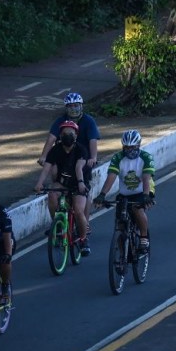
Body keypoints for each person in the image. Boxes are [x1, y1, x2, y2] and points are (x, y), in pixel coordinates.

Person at [37, 92, 100, 221]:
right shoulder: (61, 120)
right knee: (54, 177)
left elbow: (93, 140)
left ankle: (85, 221)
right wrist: (43, 156)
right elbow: (51, 138)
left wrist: (93, 158)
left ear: (81, 106)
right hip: (64, 155)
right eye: (70, 106)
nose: (73, 109)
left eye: (76, 106)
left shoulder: (88, 121)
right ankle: (56, 222)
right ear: (66, 108)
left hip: (82, 157)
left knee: (84, 190)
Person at [33, 120, 91, 256]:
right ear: (60, 135)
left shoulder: (81, 149)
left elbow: (78, 168)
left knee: (78, 210)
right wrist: (39, 184)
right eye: (64, 133)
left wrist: (82, 183)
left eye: (71, 133)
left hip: (79, 183)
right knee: (52, 194)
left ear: (76, 135)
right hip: (63, 183)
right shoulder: (56, 149)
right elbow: (47, 167)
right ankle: (57, 224)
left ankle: (83, 239)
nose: (67, 135)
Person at [93, 129, 156, 253]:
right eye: (126, 148)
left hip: (143, 190)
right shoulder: (118, 158)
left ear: (138, 145)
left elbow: (146, 178)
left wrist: (145, 195)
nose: (130, 150)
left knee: (137, 209)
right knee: (120, 224)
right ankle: (123, 255)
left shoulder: (146, 157)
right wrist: (102, 194)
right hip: (125, 193)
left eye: (133, 147)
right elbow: (111, 177)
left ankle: (143, 237)